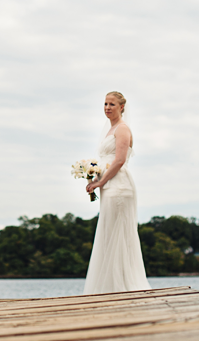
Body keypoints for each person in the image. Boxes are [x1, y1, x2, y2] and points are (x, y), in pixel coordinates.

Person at [83, 91, 150, 294]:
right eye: (105, 103)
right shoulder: (110, 129)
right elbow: (106, 160)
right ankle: (109, 286)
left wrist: (101, 181)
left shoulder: (122, 129)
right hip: (108, 185)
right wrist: (93, 178)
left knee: (119, 234)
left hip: (119, 187)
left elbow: (119, 161)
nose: (107, 107)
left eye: (112, 104)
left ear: (122, 107)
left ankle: (123, 286)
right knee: (109, 233)